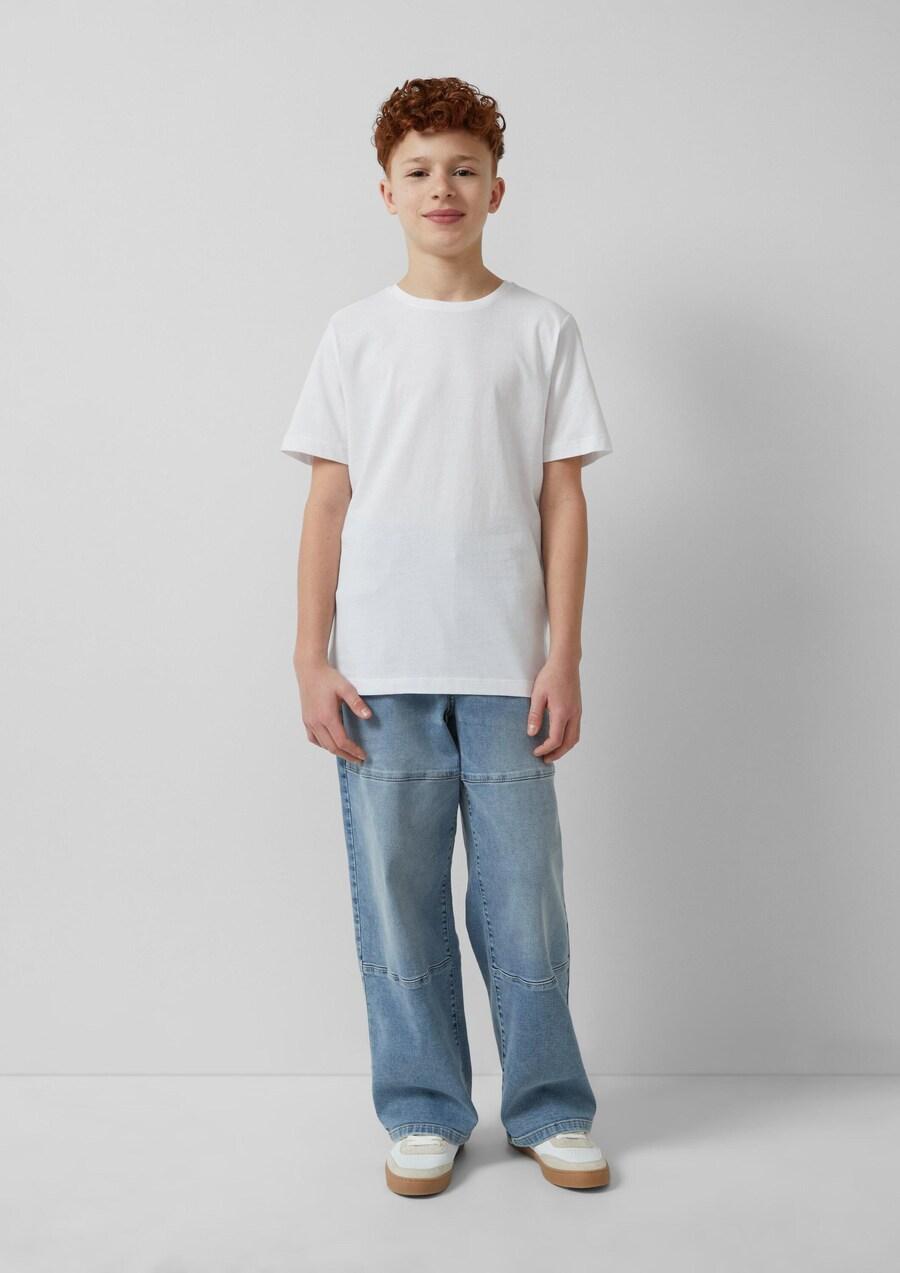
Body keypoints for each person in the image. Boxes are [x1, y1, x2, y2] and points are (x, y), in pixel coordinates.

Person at [281, 76, 613, 1195]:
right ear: (386, 191)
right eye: (419, 170)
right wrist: (310, 655)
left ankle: (548, 1105)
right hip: (380, 670)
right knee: (399, 903)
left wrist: (563, 652)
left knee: (525, 904)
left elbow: (562, 498)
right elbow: (327, 501)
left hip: (508, 667)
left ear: (496, 189)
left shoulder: (541, 328)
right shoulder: (354, 335)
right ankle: (424, 1108)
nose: (443, 187)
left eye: (464, 169)